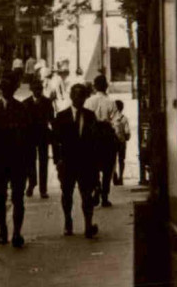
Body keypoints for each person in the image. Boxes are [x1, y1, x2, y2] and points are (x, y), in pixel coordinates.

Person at [0, 74, 34, 248]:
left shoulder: (22, 109)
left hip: (18, 160)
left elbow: (28, 137)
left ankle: (17, 232)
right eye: (4, 88)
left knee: (18, 198)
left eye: (10, 88)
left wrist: (30, 163)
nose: (7, 91)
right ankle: (3, 229)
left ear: (14, 90)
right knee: (0, 197)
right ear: (1, 89)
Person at [52, 82, 103, 238]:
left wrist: (96, 164)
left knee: (86, 194)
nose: (79, 99)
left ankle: (88, 224)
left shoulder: (90, 115)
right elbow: (55, 141)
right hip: (67, 162)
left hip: (86, 162)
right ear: (71, 97)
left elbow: (95, 141)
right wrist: (57, 160)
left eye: (82, 96)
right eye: (76, 95)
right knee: (67, 194)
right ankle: (68, 221)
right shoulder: (61, 116)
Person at [84, 74, 117, 206]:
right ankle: (104, 196)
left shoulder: (89, 101)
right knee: (108, 168)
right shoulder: (111, 102)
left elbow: (85, 120)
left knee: (94, 166)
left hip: (93, 137)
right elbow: (116, 122)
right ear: (106, 86)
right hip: (107, 137)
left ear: (94, 86)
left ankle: (96, 187)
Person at [24, 76, 55, 198]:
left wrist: (55, 134)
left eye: (40, 89)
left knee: (44, 162)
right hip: (29, 137)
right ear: (31, 89)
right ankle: (32, 184)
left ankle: (43, 189)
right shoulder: (25, 103)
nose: (38, 91)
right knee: (29, 162)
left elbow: (52, 120)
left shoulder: (47, 102)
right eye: (36, 89)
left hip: (43, 136)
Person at [112, 99, 131, 184]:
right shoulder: (124, 118)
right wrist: (126, 137)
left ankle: (114, 174)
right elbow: (127, 131)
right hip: (121, 141)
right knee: (121, 160)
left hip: (112, 141)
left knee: (112, 160)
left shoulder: (111, 119)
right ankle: (121, 177)